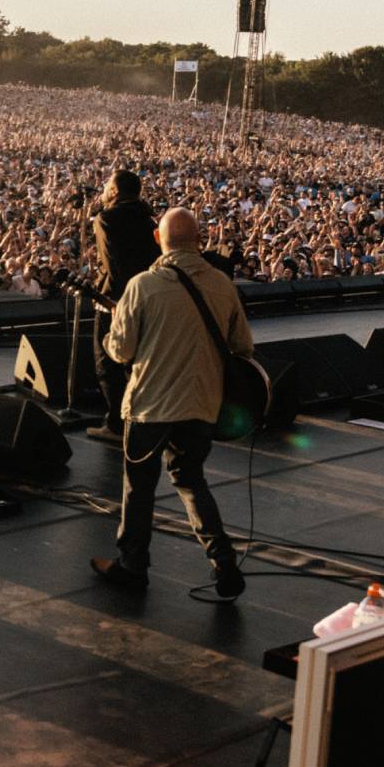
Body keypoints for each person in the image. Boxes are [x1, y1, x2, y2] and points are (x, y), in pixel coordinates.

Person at [91, 207, 250, 600]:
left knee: (139, 489)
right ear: (200, 239)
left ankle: (133, 566)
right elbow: (243, 347)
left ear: (158, 240)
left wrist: (116, 326)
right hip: (200, 406)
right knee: (192, 481)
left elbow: (121, 351)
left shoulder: (142, 286)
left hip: (150, 406)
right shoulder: (222, 285)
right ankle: (224, 563)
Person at [90, 169, 159, 443]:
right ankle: (139, 418)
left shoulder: (106, 218)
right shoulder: (149, 218)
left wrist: (111, 298)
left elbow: (112, 264)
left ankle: (116, 425)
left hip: (114, 300)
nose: (105, 188)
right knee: (136, 363)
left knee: (106, 362)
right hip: (146, 295)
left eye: (108, 185)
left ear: (115, 191)